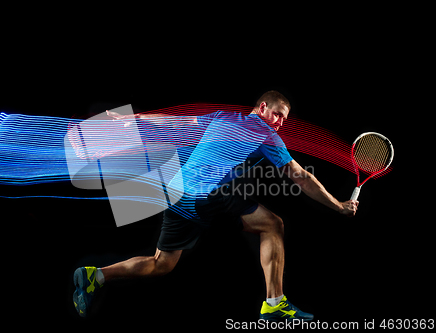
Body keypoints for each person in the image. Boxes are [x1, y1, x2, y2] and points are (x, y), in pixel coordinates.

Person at [72, 91, 359, 321]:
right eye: (278, 115)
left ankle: (95, 275)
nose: (280, 123)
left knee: (161, 264)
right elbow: (301, 176)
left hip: (179, 192)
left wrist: (135, 119)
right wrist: (338, 206)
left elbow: (177, 122)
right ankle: (274, 304)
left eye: (284, 120)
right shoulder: (264, 132)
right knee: (273, 225)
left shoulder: (223, 117)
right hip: (208, 194)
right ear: (262, 108)